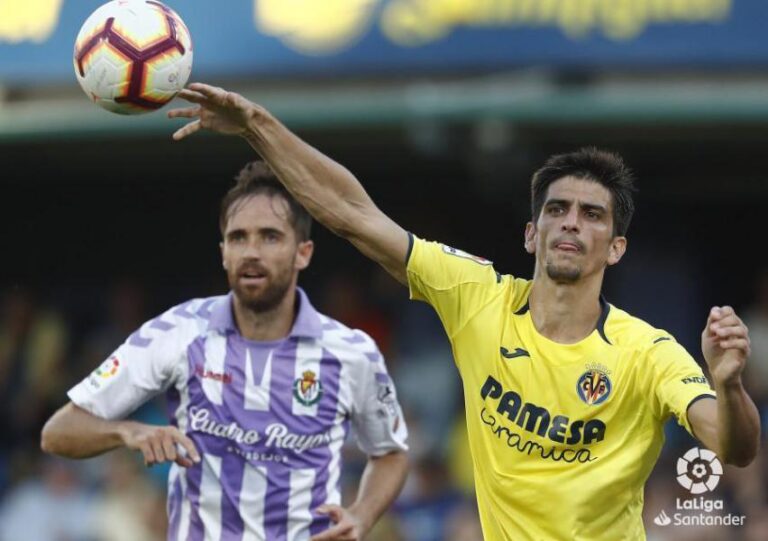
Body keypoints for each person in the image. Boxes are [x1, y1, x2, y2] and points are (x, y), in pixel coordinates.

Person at [163, 83, 761, 540]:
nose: (571, 223)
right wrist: (257, 124)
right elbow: (354, 214)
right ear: (532, 233)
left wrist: (729, 385)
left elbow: (734, 447)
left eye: (592, 214)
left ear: (616, 247)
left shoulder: (647, 352)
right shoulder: (477, 297)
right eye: (557, 210)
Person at [40, 162, 409, 541]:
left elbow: (391, 453)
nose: (251, 252)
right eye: (238, 238)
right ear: (223, 253)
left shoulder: (351, 352)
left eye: (270, 237)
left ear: (303, 253)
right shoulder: (177, 332)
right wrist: (127, 432)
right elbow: (58, 432)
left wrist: (363, 515)